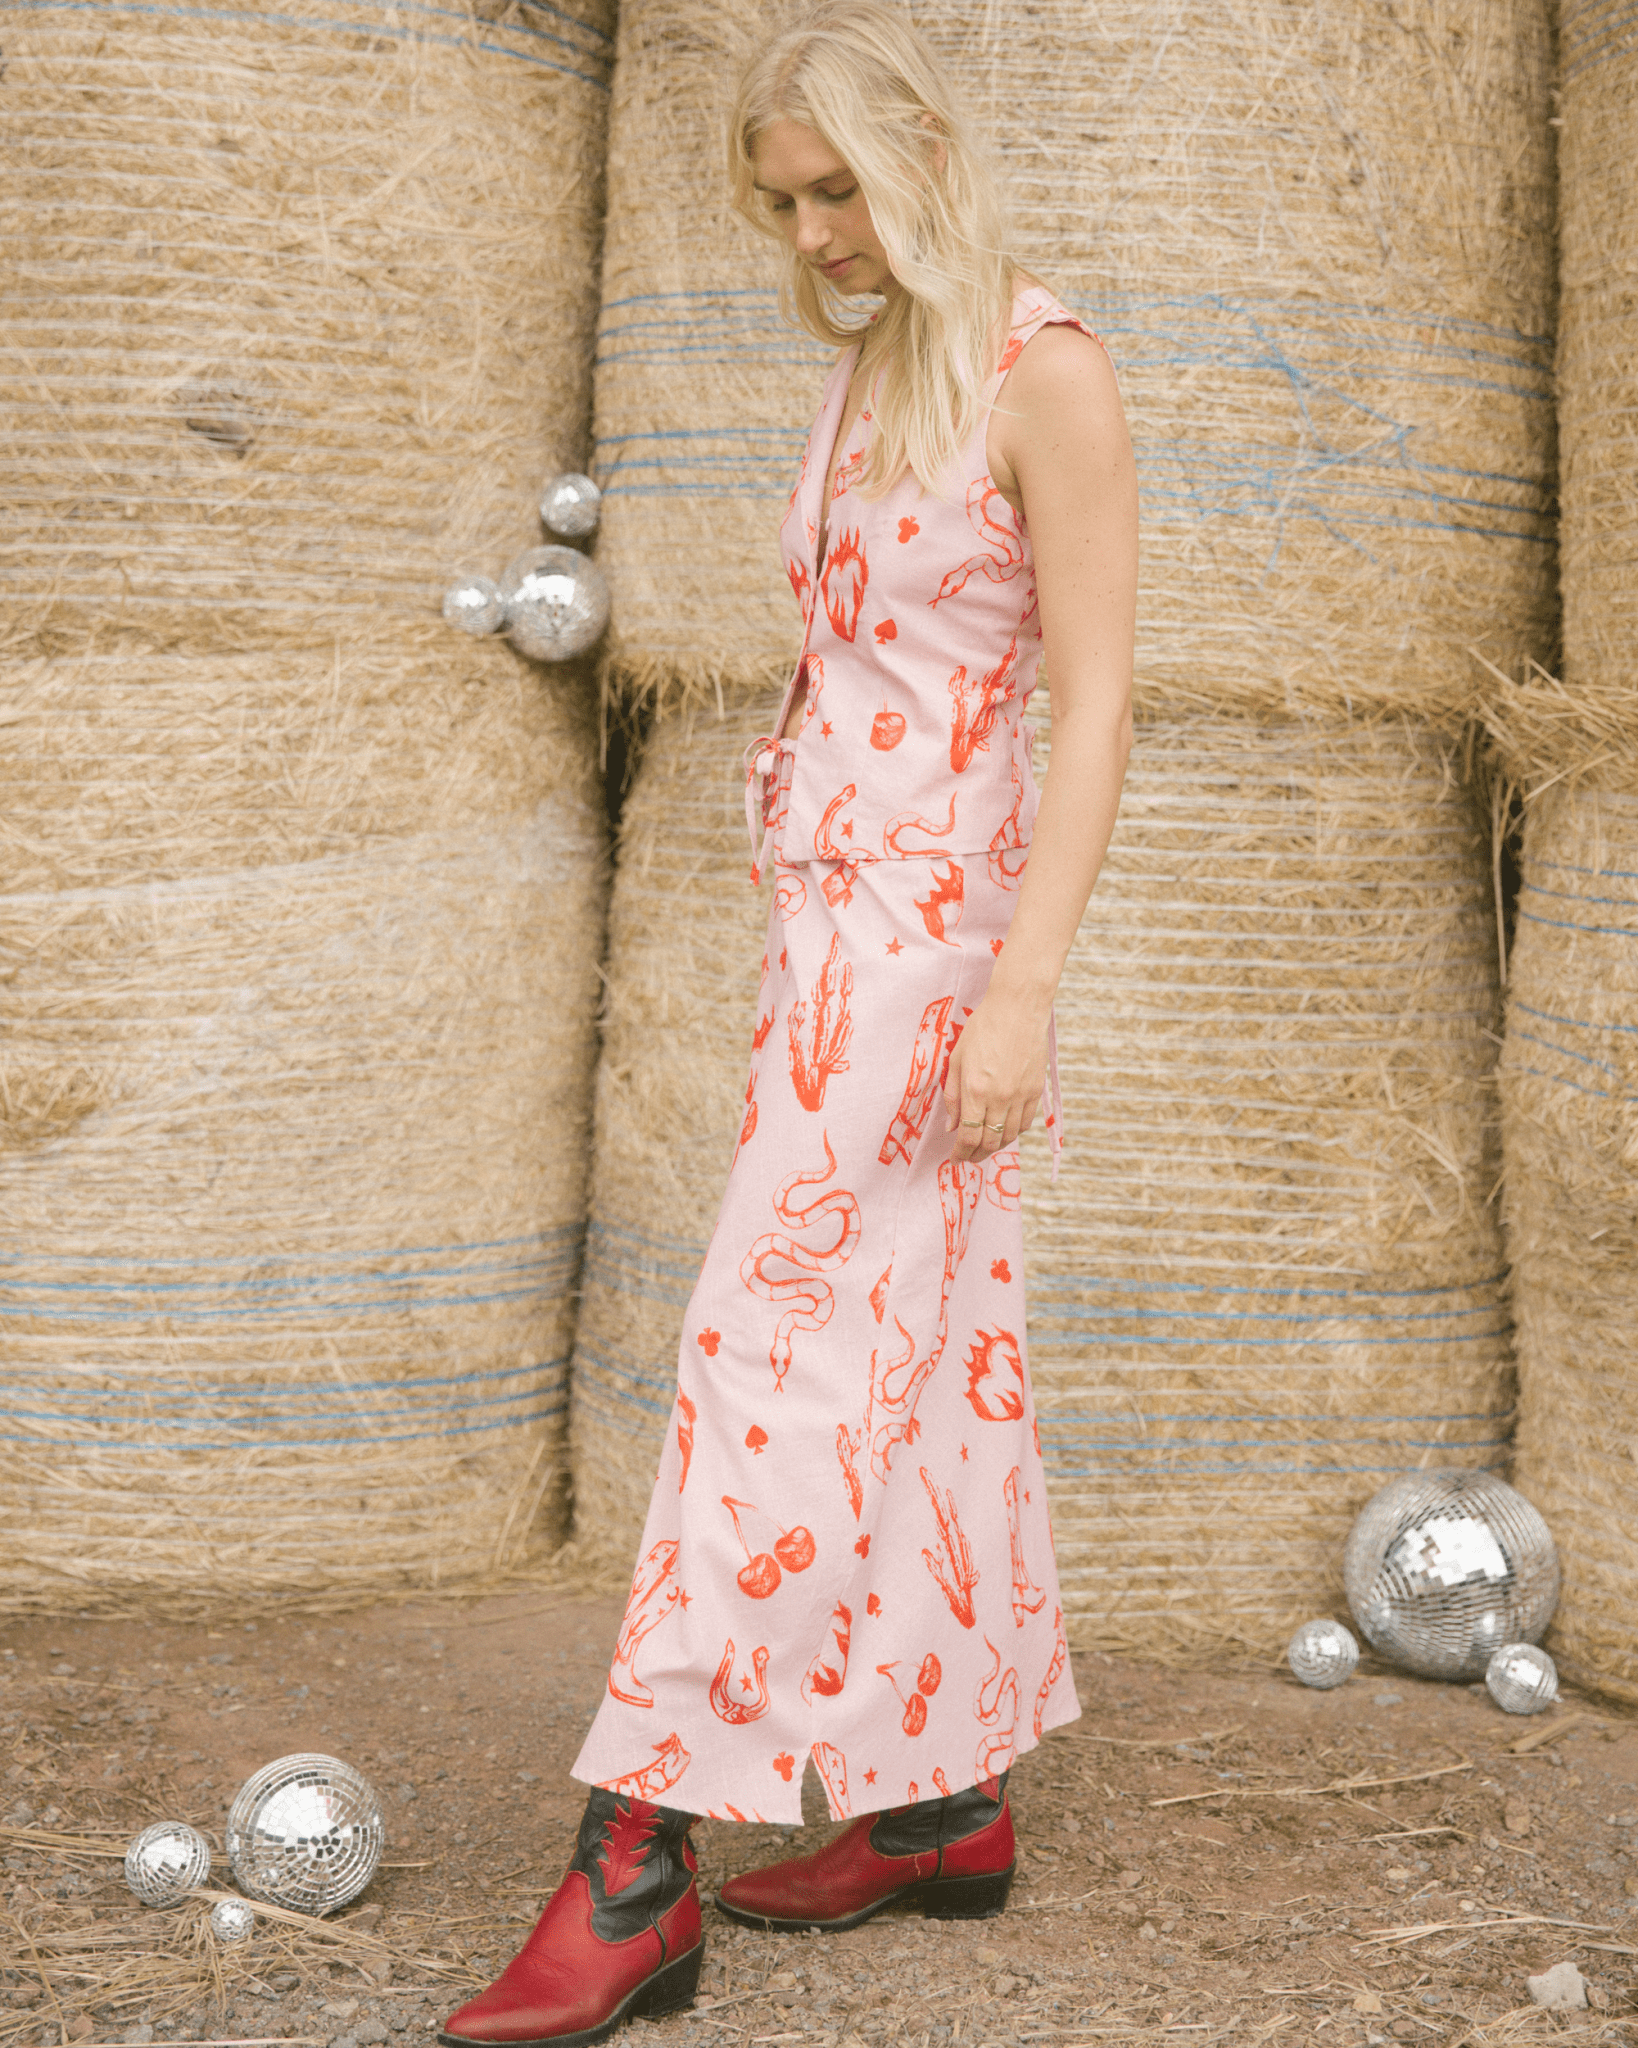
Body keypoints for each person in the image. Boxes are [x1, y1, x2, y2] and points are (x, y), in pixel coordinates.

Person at [440, 5, 1135, 2043]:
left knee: (766, 1360)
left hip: (935, 964)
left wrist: (1020, 990)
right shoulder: (872, 369)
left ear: (923, 148)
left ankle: (635, 1854)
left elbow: (1096, 699)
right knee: (927, 1368)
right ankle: (939, 1802)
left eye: (839, 188)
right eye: (784, 204)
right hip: (824, 945)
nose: (817, 233)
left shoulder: (1042, 371)